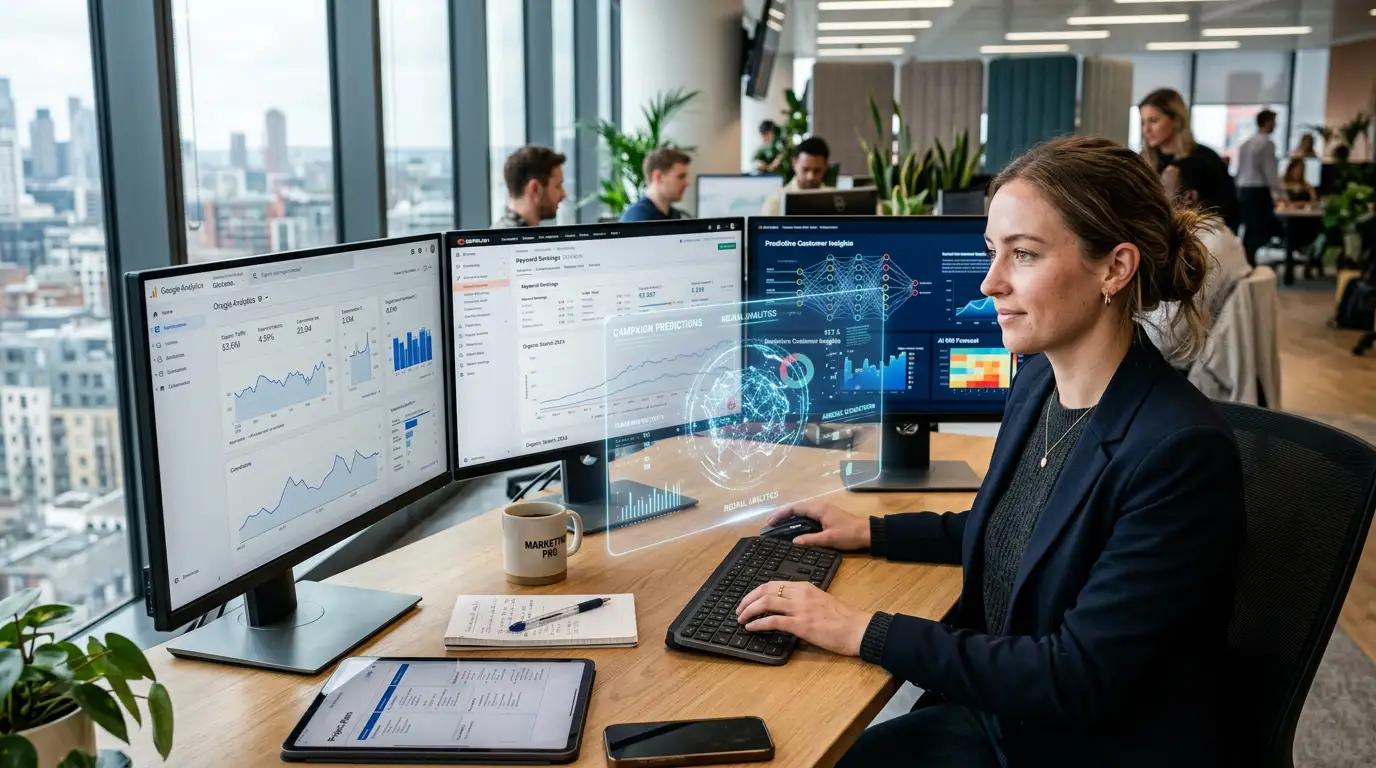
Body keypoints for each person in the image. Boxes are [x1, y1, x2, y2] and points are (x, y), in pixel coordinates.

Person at [736, 135, 1244, 766]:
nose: (990, 282)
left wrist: (858, 629)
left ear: (1115, 268)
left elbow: (1075, 675)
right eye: (990, 252)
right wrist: (871, 531)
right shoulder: (1038, 383)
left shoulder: (1178, 453)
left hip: (1078, 743)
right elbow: (1015, 528)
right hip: (1005, 710)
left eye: (1023, 255)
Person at [1148, 154, 1252, 361]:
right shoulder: (1220, 236)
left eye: (1162, 189)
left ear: (1189, 198)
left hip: (1183, 367)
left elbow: (1164, 340)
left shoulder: (1203, 249)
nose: (1154, 198)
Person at [1138, 88, 1239, 232]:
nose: (1146, 129)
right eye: (1143, 122)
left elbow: (1229, 212)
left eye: (1153, 120)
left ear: (1176, 120)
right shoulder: (1142, 162)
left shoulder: (1205, 160)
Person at [1236, 109, 1286, 265]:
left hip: (1243, 189)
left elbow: (1240, 169)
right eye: (1274, 122)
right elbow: (1270, 171)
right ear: (1267, 122)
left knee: (1250, 229)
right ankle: (1249, 260)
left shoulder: (1246, 143)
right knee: (1263, 229)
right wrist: (1281, 194)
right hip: (1258, 190)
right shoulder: (1267, 143)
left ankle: (1245, 262)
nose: (1276, 126)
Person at [493, 146, 566, 228]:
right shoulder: (519, 235)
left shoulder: (501, 231)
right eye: (558, 186)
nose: (563, 194)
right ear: (535, 189)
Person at [761, 136, 831, 216]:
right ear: (794, 163)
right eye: (805, 169)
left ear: (825, 167)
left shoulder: (836, 201)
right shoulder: (775, 203)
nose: (810, 177)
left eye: (817, 170)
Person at [620, 148, 692, 222]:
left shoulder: (674, 215)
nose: (687, 183)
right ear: (658, 176)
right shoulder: (638, 217)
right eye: (680, 177)